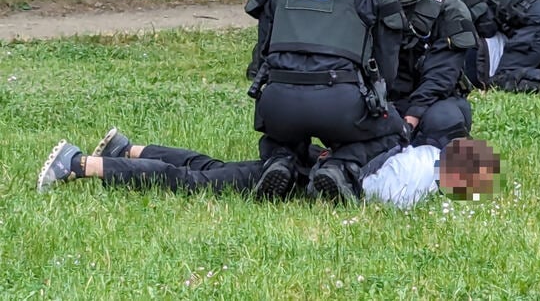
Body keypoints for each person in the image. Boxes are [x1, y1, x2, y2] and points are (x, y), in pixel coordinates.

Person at [243, 0, 408, 202]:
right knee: (394, 131)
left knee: (279, 134)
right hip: (340, 102)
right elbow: (388, 56)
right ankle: (341, 167)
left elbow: (262, 48)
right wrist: (379, 96)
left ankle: (283, 160)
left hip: (278, 104)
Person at [37, 129, 501, 209]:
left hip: (306, 159)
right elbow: (373, 196)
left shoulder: (422, 153)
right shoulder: (418, 183)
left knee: (211, 168)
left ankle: (127, 148)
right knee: (195, 182)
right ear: (458, 181)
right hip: (302, 182)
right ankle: (79, 164)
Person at [373, 0, 478, 148]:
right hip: (381, 99)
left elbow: (442, 75)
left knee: (446, 121)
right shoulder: (371, 2)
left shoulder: (449, 9)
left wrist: (411, 119)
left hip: (431, 100)